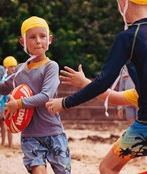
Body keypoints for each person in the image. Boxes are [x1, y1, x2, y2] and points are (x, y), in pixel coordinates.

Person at [46, 1, 147, 173]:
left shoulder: (129, 36)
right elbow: (115, 97)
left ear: (123, 3)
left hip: (144, 125)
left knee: (107, 168)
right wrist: (84, 82)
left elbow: (103, 82)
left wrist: (65, 102)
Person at [0, 16, 71, 174]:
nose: (38, 41)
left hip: (53, 133)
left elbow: (45, 96)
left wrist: (19, 104)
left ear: (49, 39)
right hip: (29, 135)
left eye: (42, 36)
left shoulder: (51, 66)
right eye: (32, 37)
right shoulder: (19, 69)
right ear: (23, 42)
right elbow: (4, 88)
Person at [1, 56, 18, 147]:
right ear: (5, 68)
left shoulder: (17, 78)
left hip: (15, 104)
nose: (13, 68)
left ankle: (10, 143)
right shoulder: (4, 79)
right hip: (5, 105)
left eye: (14, 66)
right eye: (10, 66)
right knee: (6, 124)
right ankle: (8, 143)